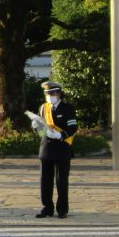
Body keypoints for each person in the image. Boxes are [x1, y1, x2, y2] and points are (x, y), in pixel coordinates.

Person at [35, 81, 77, 219]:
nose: (49, 96)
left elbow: (72, 127)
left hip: (62, 148)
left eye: (52, 93)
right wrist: (39, 129)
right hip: (46, 148)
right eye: (47, 94)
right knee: (45, 181)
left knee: (61, 181)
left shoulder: (67, 108)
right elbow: (40, 130)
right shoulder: (43, 108)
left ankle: (62, 209)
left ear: (59, 93)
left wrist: (60, 135)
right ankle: (47, 208)